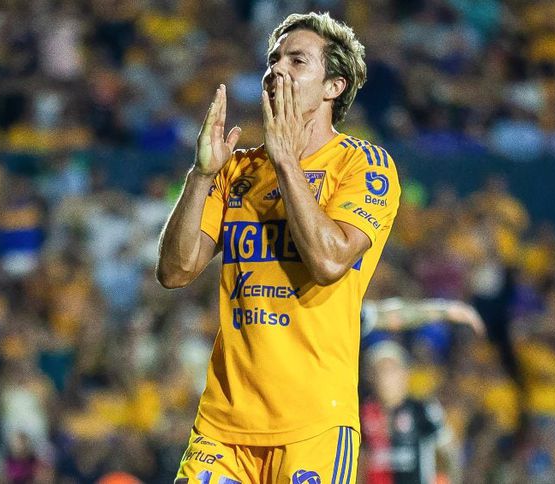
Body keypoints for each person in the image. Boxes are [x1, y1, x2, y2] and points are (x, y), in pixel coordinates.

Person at [157, 11, 400, 484]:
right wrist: (202, 175)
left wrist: (286, 160)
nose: (276, 71)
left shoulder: (363, 165)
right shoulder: (237, 169)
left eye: (297, 60)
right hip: (223, 426)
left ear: (333, 86)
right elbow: (175, 271)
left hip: (314, 427)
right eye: (273, 60)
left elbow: (329, 260)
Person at [360, 341, 461, 484]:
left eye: (391, 370)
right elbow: (360, 457)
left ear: (404, 374)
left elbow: (449, 450)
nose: (385, 377)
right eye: (380, 371)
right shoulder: (364, 412)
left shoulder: (422, 408)